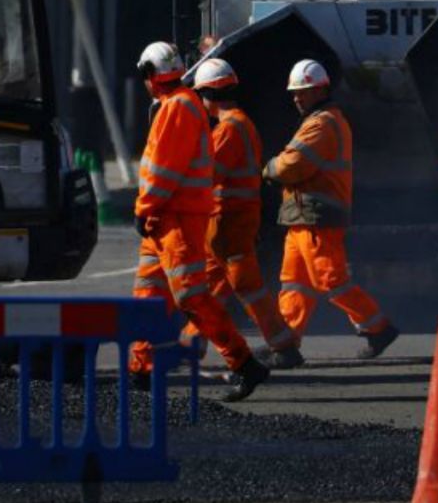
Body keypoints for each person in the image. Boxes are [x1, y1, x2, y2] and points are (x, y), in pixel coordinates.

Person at [130, 41, 269, 402]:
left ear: (149, 75)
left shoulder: (177, 107)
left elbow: (163, 170)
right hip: (163, 220)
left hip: (174, 219)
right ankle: (140, 370)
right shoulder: (175, 106)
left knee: (191, 296)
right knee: (148, 295)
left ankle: (244, 363)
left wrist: (144, 209)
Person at [262, 59, 399, 360]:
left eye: (304, 91)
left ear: (321, 89)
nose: (297, 97)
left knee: (330, 280)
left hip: (318, 217)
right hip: (304, 216)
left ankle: (378, 328)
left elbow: (291, 164)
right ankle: (285, 344)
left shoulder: (322, 123)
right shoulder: (319, 120)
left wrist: (270, 167)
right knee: (294, 282)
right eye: (295, 92)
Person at [180, 58, 302, 370]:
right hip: (231, 220)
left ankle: (283, 346)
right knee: (208, 289)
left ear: (208, 94)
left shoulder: (228, 130)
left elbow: (206, 174)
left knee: (247, 287)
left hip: (228, 222)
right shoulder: (242, 124)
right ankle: (190, 345)